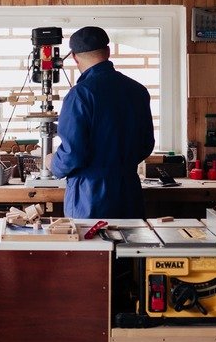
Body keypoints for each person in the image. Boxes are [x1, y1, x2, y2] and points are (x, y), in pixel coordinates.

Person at [47, 26, 155, 219]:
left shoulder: (80, 95)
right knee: (129, 248)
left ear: (74, 57)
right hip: (129, 194)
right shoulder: (138, 91)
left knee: (92, 249)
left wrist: (53, 163)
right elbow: (146, 145)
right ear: (108, 52)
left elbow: (73, 153)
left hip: (90, 198)